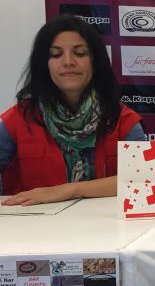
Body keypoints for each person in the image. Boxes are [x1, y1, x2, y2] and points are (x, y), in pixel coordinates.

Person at [0, 15, 145, 206]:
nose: (68, 62)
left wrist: (70, 189)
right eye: (56, 54)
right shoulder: (16, 120)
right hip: (33, 230)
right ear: (45, 64)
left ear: (95, 63)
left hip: (105, 230)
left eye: (80, 53)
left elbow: (146, 178)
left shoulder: (124, 120)